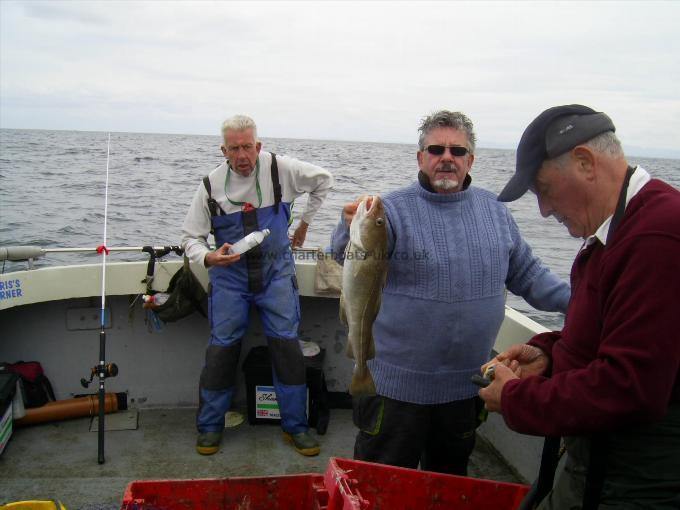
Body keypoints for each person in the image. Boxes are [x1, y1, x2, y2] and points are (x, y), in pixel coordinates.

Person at [329, 110, 570, 475]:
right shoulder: (390, 211)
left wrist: (586, 301)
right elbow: (347, 259)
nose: (446, 158)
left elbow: (530, 275)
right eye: (436, 148)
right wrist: (346, 227)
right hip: (393, 391)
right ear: (420, 157)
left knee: (447, 484)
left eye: (457, 151)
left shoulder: (497, 211)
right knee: (380, 487)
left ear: (470, 159)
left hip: (465, 389)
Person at [480, 104, 680, 509]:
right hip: (602, 467)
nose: (544, 210)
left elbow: (630, 387)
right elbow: (613, 332)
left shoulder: (657, 235)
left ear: (586, 162)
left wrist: (518, 399)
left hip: (639, 484)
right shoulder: (617, 230)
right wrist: (550, 353)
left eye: (544, 190)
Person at [181, 114, 333, 456]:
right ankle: (209, 426)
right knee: (221, 351)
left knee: (286, 349)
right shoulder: (209, 186)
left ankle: (295, 427)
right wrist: (207, 257)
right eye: (234, 148)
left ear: (258, 145)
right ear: (224, 150)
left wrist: (305, 224)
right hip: (229, 279)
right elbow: (191, 237)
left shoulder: (282, 170)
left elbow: (325, 180)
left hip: (276, 275)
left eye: (248, 146)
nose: (242, 155)